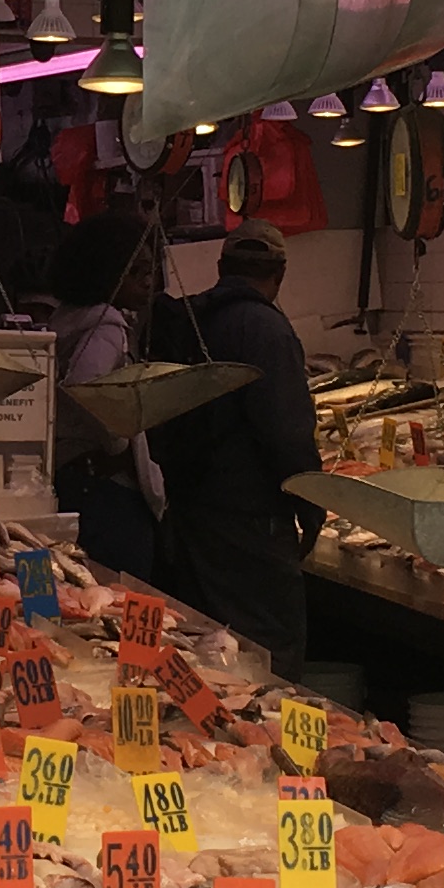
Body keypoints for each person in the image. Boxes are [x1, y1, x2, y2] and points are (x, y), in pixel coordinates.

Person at [151, 222, 325, 655]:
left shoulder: (187, 319)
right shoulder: (267, 329)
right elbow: (285, 430)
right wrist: (312, 501)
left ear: (221, 267)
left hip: (191, 516)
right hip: (250, 525)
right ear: (279, 274)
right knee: (266, 650)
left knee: (204, 644)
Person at [47, 208, 167, 578]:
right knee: (120, 592)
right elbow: (85, 384)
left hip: (74, 480)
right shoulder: (107, 324)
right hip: (105, 491)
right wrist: (116, 444)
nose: (148, 282)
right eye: (136, 272)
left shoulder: (68, 317)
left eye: (150, 271)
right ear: (107, 273)